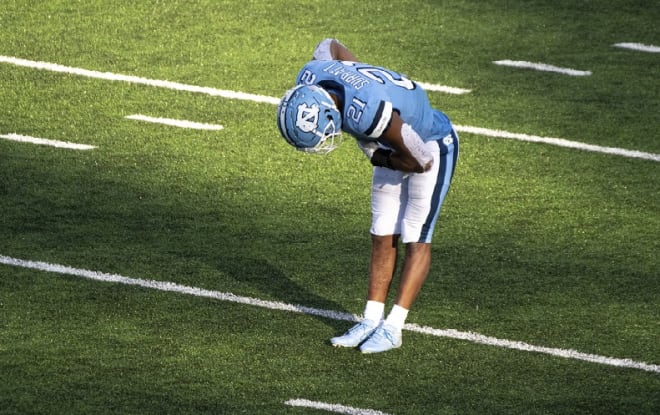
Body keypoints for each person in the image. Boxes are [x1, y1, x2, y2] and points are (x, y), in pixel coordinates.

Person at [276, 38, 459, 353]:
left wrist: (379, 158)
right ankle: (371, 320)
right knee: (381, 231)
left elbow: (419, 160)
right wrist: (354, 73)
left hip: (430, 144)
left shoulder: (368, 114)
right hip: (391, 138)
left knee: (415, 235)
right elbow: (329, 44)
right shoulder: (312, 76)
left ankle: (393, 328)